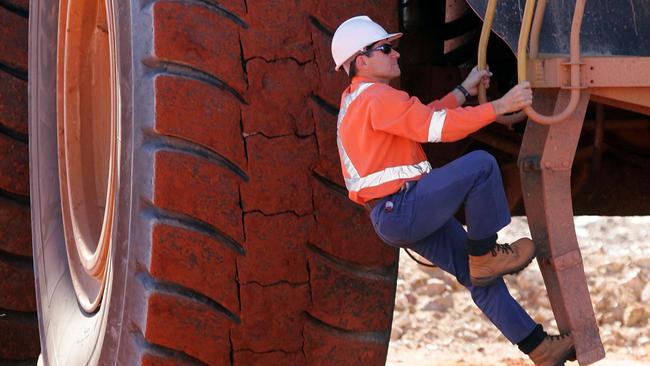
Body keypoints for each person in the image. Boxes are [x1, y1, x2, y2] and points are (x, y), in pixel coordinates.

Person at [330, 15, 576, 366]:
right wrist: (499, 107)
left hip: (395, 215)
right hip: (402, 207)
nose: (396, 55)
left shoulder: (361, 100)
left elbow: (421, 116)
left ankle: (540, 348)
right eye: (385, 49)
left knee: (480, 280)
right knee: (481, 166)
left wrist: (464, 90)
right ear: (361, 60)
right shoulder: (377, 98)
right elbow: (433, 127)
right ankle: (485, 253)